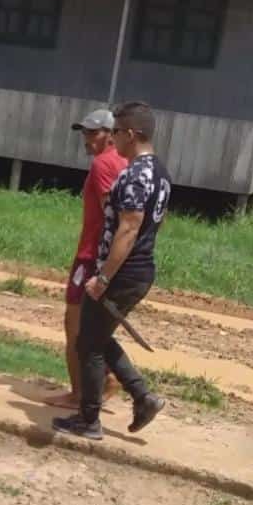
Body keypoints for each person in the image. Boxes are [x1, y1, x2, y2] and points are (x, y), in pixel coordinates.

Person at [53, 101, 171, 440]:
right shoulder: (160, 172)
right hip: (139, 268)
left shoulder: (135, 174)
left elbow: (129, 228)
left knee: (87, 343)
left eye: (116, 131)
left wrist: (104, 276)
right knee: (97, 334)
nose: (113, 138)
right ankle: (142, 396)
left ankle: (88, 420)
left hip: (122, 272)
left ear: (131, 134)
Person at [47, 109, 127, 409]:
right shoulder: (125, 163)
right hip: (105, 256)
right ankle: (106, 381)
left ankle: (79, 393)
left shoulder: (103, 165)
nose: (87, 139)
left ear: (111, 134)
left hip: (91, 255)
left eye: (94, 133)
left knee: (74, 324)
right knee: (96, 326)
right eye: (85, 132)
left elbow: (112, 215)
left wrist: (102, 263)